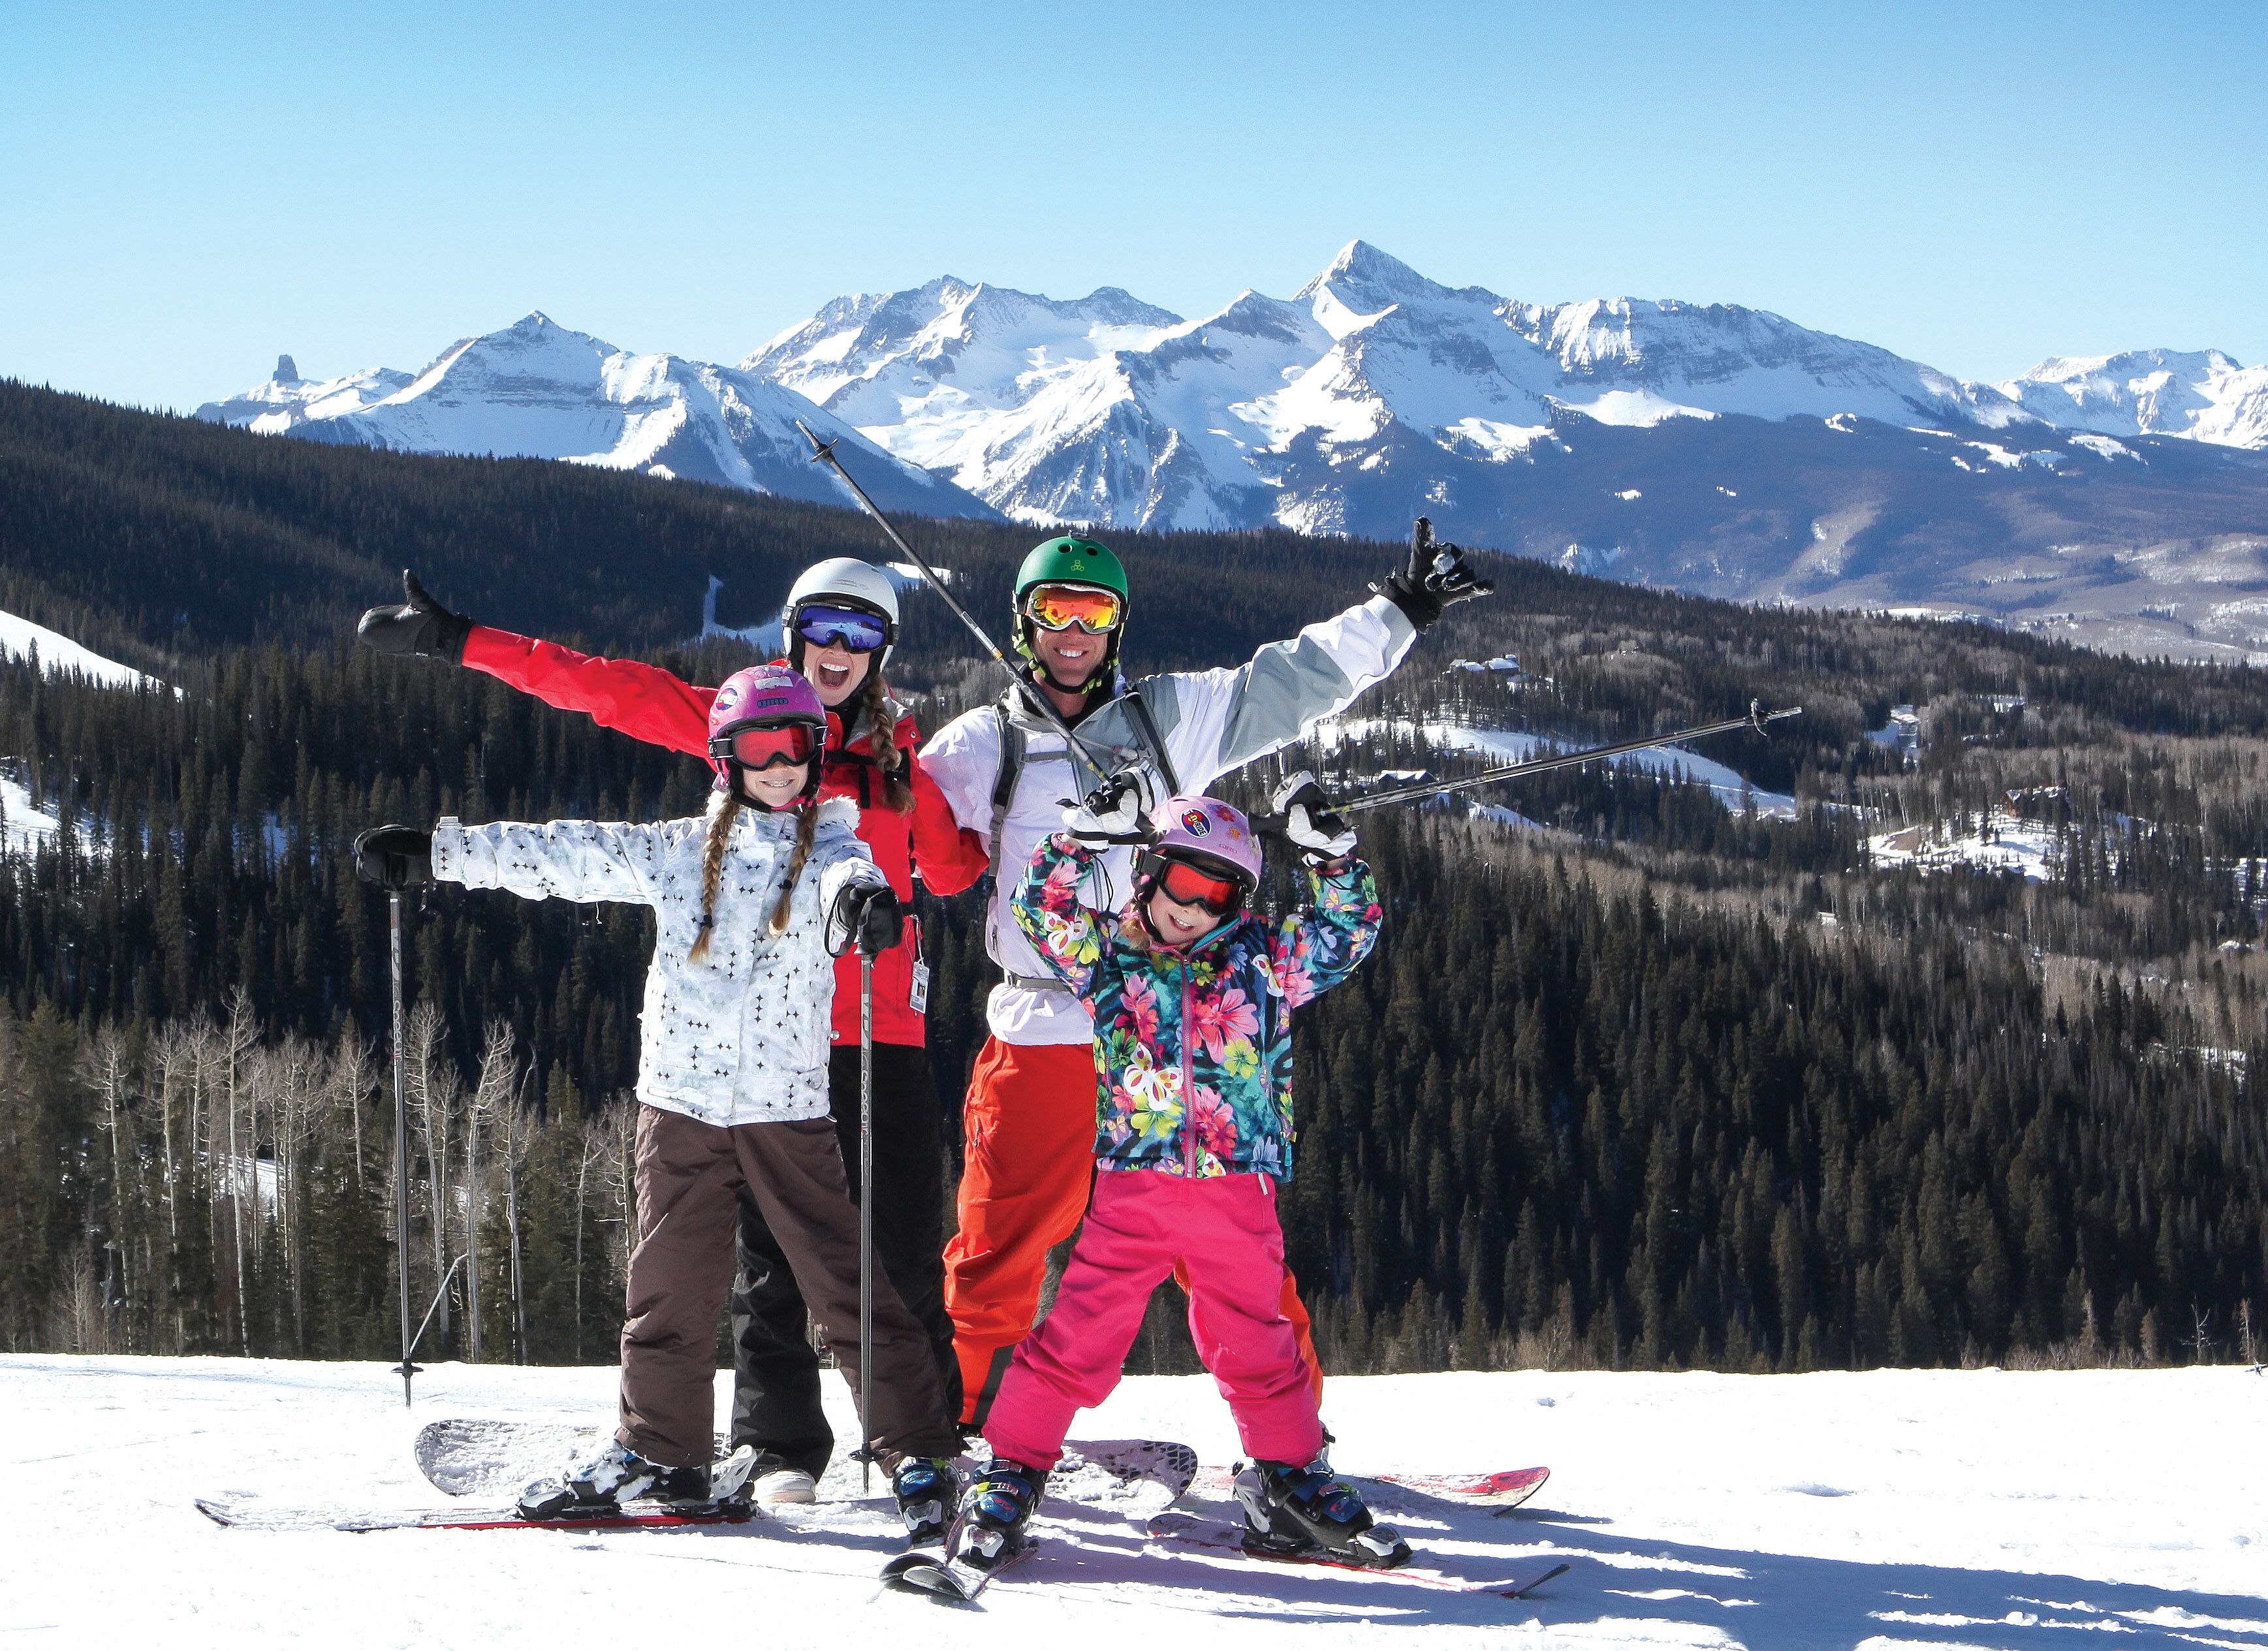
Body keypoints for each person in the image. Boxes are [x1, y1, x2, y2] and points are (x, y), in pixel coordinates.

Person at [356, 559, 986, 1505]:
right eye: (822, 627)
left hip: (861, 1039)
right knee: (731, 1274)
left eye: (861, 635)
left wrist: (889, 860)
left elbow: (939, 868)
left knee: (881, 1258)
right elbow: (597, 711)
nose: (837, 651)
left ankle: (926, 1442)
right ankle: (760, 1450)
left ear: (884, 652)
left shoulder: (885, 784)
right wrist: (461, 649)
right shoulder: (715, 771)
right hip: (719, 1081)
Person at [916, 519, 1489, 1426]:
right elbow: (889, 835)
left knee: (1228, 1251)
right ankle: (972, 1422)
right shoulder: (977, 746)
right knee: (1000, 1243)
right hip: (1047, 1029)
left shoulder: (1169, 718)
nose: (1073, 631)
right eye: (1053, 610)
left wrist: (1401, 609)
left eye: (1093, 610)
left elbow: (1291, 682)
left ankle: (1292, 1438)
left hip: (1166, 1039)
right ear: (1024, 623)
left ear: (1118, 625)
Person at [943, 788, 1408, 1577]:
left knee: (1257, 1341)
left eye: (1217, 892)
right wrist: (1077, 840)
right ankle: (1013, 1467)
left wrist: (1333, 859)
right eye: (1180, 885)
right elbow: (1039, 910)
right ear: (1147, 876)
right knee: (1077, 1340)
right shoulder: (1111, 959)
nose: (1192, 908)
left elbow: (1345, 932)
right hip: (1135, 1190)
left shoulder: (1265, 963)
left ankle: (1290, 1472)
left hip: (1237, 1192)